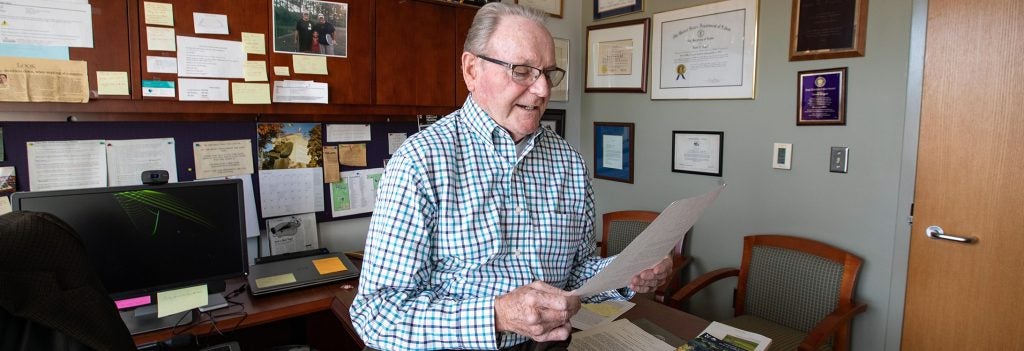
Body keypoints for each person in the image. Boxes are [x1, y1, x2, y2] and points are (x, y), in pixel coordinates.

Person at [350, 3, 673, 351]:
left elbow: (576, 273)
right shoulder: (420, 163)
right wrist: (497, 316)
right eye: (522, 71)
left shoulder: (569, 164)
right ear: (472, 70)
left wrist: (628, 270)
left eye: (549, 73)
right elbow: (377, 315)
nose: (542, 90)